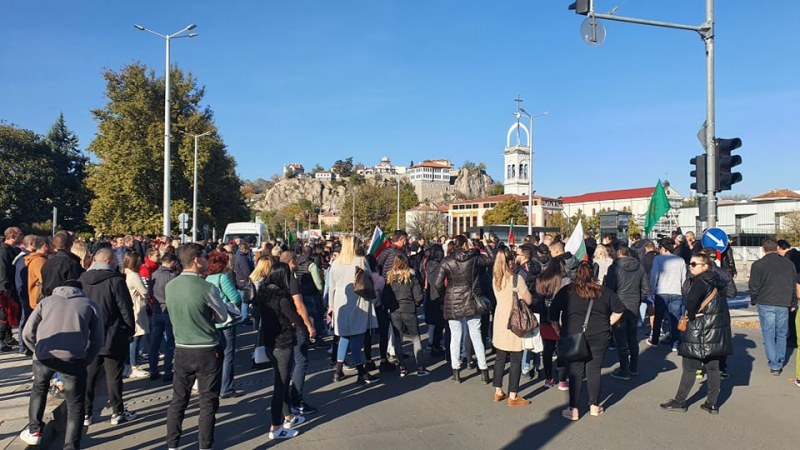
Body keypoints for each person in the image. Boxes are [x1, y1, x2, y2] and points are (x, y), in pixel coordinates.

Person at [20, 280, 104, 449]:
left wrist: (36, 349)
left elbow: (27, 332)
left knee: (38, 389)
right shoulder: (89, 305)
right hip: (73, 359)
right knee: (75, 404)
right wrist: (86, 358)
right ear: (80, 290)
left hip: (44, 356)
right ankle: (71, 445)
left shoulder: (45, 302)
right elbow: (98, 339)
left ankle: (35, 430)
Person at [165, 243, 231, 450]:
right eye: (204, 257)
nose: (207, 261)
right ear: (196, 260)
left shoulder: (170, 285)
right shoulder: (207, 287)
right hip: (207, 349)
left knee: (178, 400)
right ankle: (205, 445)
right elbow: (222, 316)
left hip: (182, 348)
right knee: (207, 402)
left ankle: (172, 444)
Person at [660, 252, 733, 414]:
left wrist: (691, 315)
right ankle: (712, 403)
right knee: (713, 368)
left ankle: (680, 401)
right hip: (715, 330)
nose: (690, 267)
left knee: (689, 368)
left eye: (694, 264)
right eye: (690, 264)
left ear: (705, 266)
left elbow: (692, 300)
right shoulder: (717, 280)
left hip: (699, 329)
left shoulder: (700, 282)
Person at [551, 263, 625, 421]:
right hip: (600, 334)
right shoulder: (603, 291)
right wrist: (608, 322)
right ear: (594, 274)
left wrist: (558, 330)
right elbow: (619, 309)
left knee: (575, 371)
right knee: (594, 369)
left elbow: (553, 313)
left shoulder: (567, 291)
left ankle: (574, 409)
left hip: (573, 334)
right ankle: (594, 406)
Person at [78, 248, 137, 426]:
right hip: (113, 333)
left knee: (89, 376)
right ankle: (117, 412)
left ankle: (86, 413)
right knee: (114, 376)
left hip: (89, 334)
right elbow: (125, 308)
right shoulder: (116, 281)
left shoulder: (81, 280)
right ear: (110, 261)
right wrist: (130, 329)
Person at [434, 234, 493, 384]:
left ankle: (456, 371)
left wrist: (445, 295)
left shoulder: (447, 260)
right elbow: (492, 260)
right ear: (466, 244)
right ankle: (484, 370)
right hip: (472, 299)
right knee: (476, 335)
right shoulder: (474, 258)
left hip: (453, 299)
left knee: (455, 336)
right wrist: (486, 245)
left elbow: (438, 283)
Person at [256, 262, 305, 440]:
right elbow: (295, 318)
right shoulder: (282, 297)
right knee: (281, 385)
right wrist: (301, 325)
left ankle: (288, 417)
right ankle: (276, 427)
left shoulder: (262, 292)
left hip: (268, 341)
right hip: (282, 342)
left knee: (281, 381)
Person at [328, 236, 379, 384]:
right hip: (358, 300)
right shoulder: (361, 261)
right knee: (357, 337)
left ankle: (338, 371)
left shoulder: (335, 263)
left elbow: (331, 286)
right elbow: (369, 278)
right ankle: (362, 372)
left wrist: (330, 305)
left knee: (344, 336)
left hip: (340, 302)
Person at [749, 237, 798, 375]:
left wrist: (754, 299)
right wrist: (793, 302)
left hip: (765, 302)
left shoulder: (758, 265)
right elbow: (793, 285)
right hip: (783, 302)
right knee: (782, 334)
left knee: (769, 334)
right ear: (777, 248)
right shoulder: (788, 264)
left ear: (763, 249)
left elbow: (753, 285)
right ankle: (780, 360)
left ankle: (775, 364)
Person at [491, 248, 533, 406]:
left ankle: (498, 390)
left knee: (500, 357)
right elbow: (528, 300)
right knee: (516, 358)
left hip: (500, 319)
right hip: (515, 320)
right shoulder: (517, 279)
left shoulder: (496, 279)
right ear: (510, 262)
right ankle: (513, 395)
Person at [279, 250, 318, 416]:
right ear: (291, 261)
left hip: (281, 326)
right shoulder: (291, 279)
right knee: (301, 361)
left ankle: (285, 401)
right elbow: (299, 305)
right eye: (295, 259)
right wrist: (309, 325)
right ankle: (296, 399)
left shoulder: (274, 277)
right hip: (295, 325)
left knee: (286, 365)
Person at [604, 245, 650, 380]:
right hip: (633, 304)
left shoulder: (614, 268)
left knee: (620, 338)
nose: (611, 253)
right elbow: (646, 289)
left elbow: (609, 289)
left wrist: (610, 304)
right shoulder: (639, 267)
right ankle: (633, 367)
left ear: (618, 252)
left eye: (612, 251)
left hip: (618, 305)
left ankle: (624, 369)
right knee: (632, 336)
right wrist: (637, 299)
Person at [205, 251, 243, 398]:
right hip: (226, 321)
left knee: (216, 355)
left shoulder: (207, 279)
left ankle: (216, 385)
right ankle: (226, 388)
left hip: (213, 322)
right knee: (228, 355)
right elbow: (235, 298)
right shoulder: (223, 278)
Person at [385, 255, 428, 377]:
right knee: (415, 338)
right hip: (409, 309)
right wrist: (416, 304)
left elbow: (386, 296)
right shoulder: (411, 276)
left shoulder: (390, 277)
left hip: (395, 310)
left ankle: (402, 367)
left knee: (398, 339)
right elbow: (418, 295)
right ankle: (420, 367)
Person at [376, 230, 410, 372]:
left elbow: (377, 264)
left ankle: (388, 353)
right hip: (396, 288)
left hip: (385, 288)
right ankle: (395, 351)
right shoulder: (400, 254)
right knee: (396, 324)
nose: (406, 242)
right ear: (401, 239)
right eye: (405, 240)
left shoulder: (385, 252)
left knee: (387, 324)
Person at [649, 238, 687, 351]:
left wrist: (652, 291)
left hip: (661, 292)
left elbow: (653, 276)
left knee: (658, 317)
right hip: (676, 292)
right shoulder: (680, 260)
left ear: (664, 248)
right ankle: (675, 343)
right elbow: (683, 278)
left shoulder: (658, 259)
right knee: (674, 319)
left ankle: (655, 340)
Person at [149, 253, 177, 381]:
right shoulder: (172, 277)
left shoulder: (153, 275)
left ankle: (153, 370)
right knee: (169, 342)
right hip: (168, 310)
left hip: (156, 310)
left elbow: (149, 292)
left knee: (155, 342)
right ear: (171, 262)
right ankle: (167, 370)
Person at [123, 252, 150, 379]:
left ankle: (128, 365)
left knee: (132, 338)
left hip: (130, 307)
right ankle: (134, 366)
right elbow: (144, 292)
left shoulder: (125, 273)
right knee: (136, 338)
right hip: (137, 307)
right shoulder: (134, 275)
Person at [41, 230, 84, 296]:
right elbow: (75, 289)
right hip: (66, 300)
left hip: (48, 301)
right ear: (71, 244)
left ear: (53, 244)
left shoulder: (46, 263)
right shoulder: (72, 264)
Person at [0, 227, 23, 350]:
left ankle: (8, 337)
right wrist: (5, 286)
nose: (21, 237)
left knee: (10, 313)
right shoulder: (4, 250)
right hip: (5, 288)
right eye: (20, 234)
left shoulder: (13, 250)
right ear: (13, 236)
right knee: (3, 313)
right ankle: (1, 339)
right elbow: (2, 269)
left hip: (12, 285)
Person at [423, 244, 446, 357]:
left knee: (434, 323)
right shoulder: (440, 265)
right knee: (439, 324)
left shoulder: (428, 264)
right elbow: (440, 283)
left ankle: (433, 344)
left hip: (430, 295)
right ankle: (436, 346)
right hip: (438, 296)